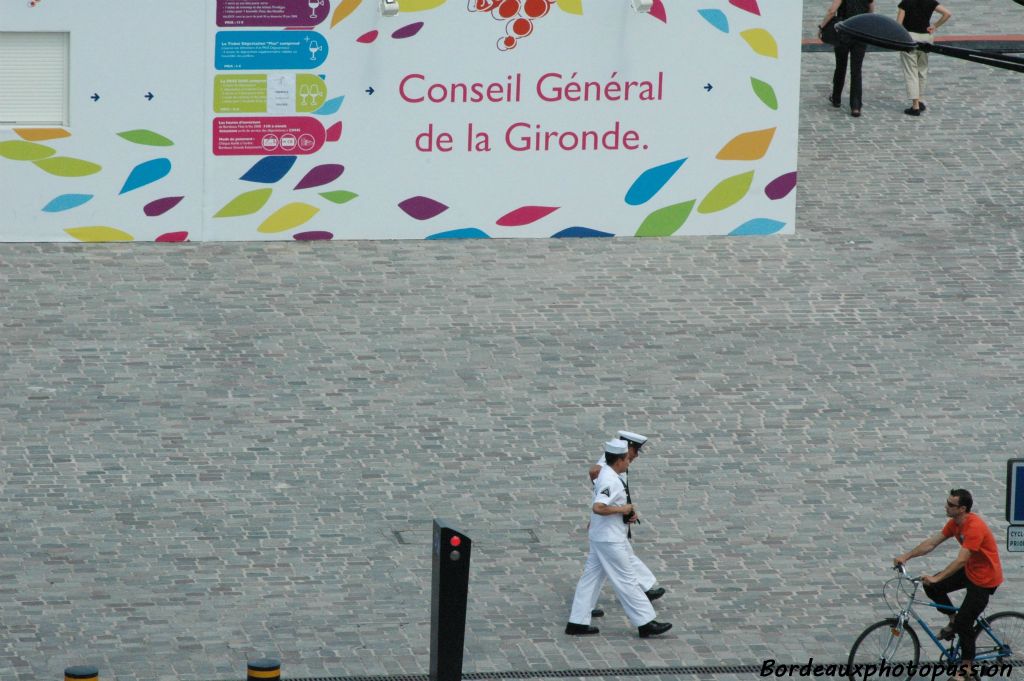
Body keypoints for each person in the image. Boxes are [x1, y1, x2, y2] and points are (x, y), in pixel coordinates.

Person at [565, 439, 672, 638]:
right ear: (619, 460)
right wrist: (623, 509)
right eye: (626, 460)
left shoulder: (608, 474)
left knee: (591, 578)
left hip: (602, 536)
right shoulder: (610, 479)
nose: (629, 462)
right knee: (627, 580)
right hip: (609, 539)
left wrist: (626, 514)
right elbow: (599, 507)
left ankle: (577, 622)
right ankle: (645, 622)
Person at [894, 489, 1003, 679]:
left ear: (962, 508)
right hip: (971, 571)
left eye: (951, 505)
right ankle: (952, 620)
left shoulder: (974, 527)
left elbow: (961, 560)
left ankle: (966, 669)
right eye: (947, 502)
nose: (946, 506)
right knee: (931, 587)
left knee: (965, 622)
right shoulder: (955, 523)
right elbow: (932, 543)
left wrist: (938, 576)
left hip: (985, 579)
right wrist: (907, 556)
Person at [587, 431, 664, 619]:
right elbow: (597, 481)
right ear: (626, 448)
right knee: (624, 573)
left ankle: (580, 616)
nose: (636, 456)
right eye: (635, 451)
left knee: (593, 573)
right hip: (607, 526)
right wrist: (619, 508)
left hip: (607, 527)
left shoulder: (618, 462)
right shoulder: (611, 466)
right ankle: (645, 613)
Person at [819, 0, 875, 117]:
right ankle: (855, 106)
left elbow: (832, 11)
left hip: (844, 32)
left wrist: (822, 27)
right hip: (861, 33)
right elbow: (871, 12)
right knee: (856, 70)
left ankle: (836, 98)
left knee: (840, 66)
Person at [897, 0, 952, 116]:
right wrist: (935, 26)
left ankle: (915, 105)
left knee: (911, 71)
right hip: (926, 39)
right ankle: (920, 99)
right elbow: (947, 13)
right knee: (922, 70)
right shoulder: (930, 1)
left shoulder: (905, 3)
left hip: (909, 38)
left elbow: (898, 25)